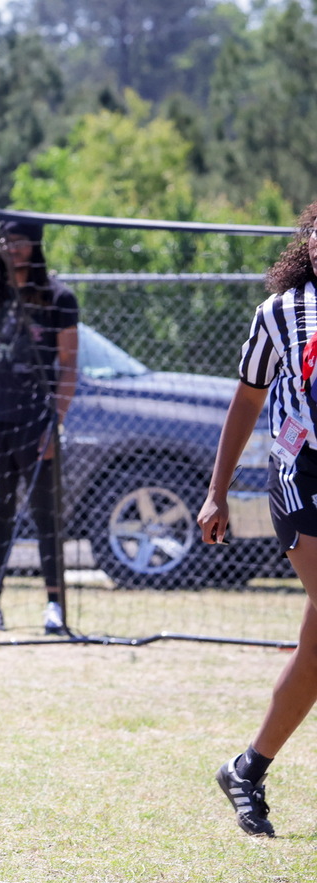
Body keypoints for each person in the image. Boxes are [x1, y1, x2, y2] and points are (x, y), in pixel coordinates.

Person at [199, 201, 317, 838]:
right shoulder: (280, 312)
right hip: (301, 476)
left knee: (315, 653)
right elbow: (247, 398)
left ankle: (246, 770)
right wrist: (217, 491)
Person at [0, 218, 79, 635]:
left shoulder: (58, 299)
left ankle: (55, 606)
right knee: (0, 514)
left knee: (47, 515)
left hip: (38, 425)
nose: (12, 249)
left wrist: (55, 422)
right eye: (5, 241)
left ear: (35, 246)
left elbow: (69, 365)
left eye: (20, 241)